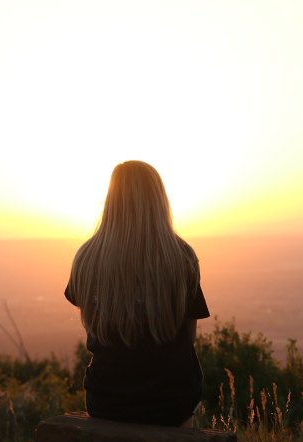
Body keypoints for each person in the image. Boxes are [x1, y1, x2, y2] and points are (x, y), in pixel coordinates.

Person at [64, 160, 210, 428]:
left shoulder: (86, 258)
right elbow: (189, 337)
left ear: (110, 200)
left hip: (107, 400)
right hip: (171, 401)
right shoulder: (182, 258)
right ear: (159, 201)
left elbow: (93, 324)